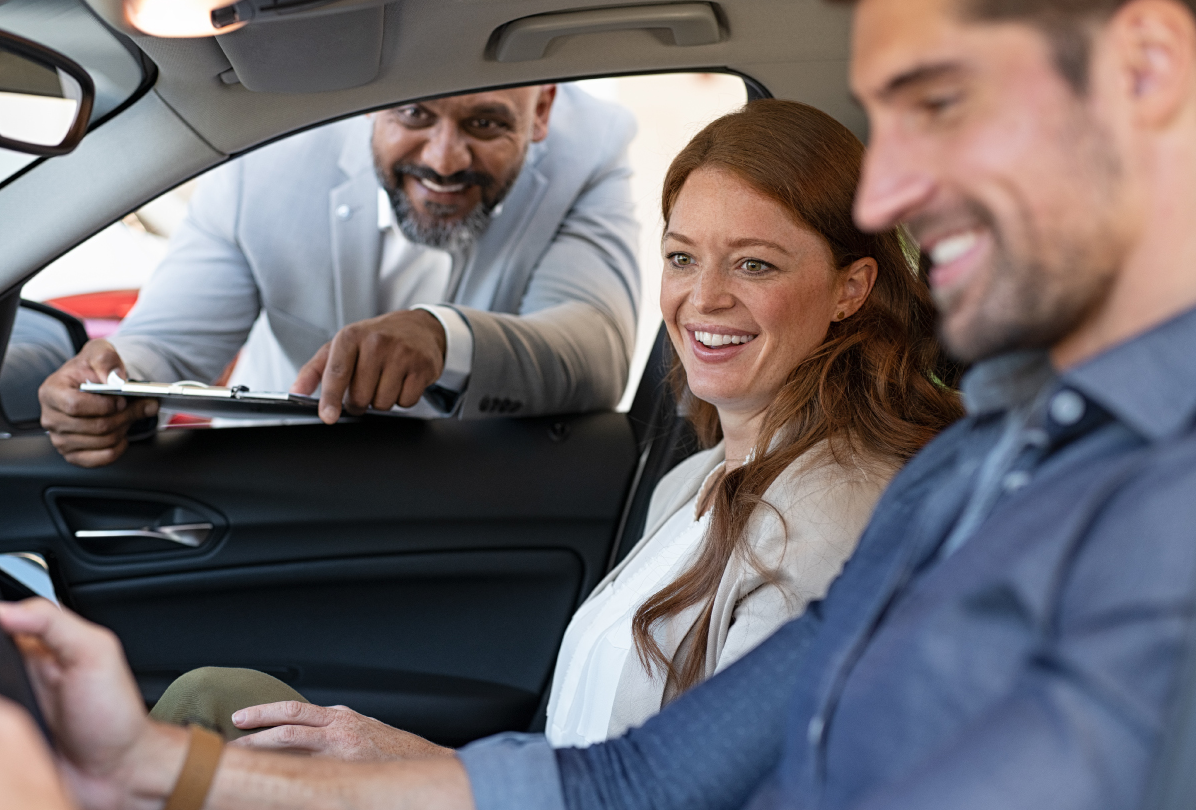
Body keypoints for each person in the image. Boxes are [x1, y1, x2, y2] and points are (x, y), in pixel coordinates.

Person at [0, 0, 1196, 810]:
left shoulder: (1152, 529)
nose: (889, 191)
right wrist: (153, 776)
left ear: (1144, 69)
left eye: (939, 101)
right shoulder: (990, 459)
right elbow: (633, 802)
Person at [149, 100, 963, 756]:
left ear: (851, 287)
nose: (703, 298)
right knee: (218, 706)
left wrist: (420, 782)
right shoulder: (695, 479)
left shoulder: (833, 522)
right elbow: (594, 756)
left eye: (754, 263)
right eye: (682, 257)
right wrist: (397, 759)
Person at [32, 84, 641, 466]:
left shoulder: (591, 152)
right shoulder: (265, 158)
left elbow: (596, 351)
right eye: (413, 113)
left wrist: (441, 338)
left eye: (485, 124)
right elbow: (163, 346)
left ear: (542, 110)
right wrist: (109, 385)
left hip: (470, 497)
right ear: (373, 100)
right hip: (281, 474)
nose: (444, 160)